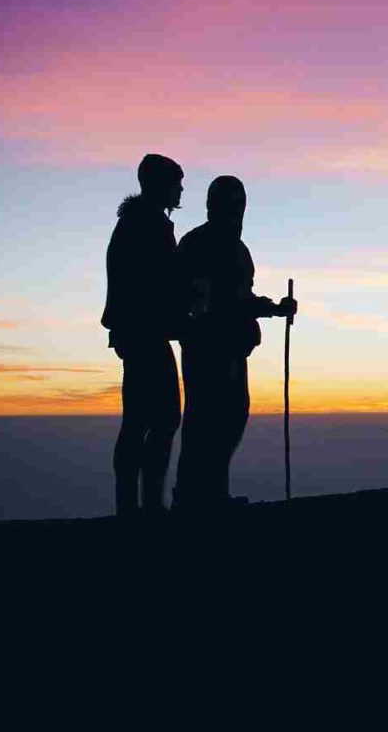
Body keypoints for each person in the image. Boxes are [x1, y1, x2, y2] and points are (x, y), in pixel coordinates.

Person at [173, 175, 296, 513]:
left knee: (228, 419)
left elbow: (240, 297)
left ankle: (212, 493)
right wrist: (265, 309)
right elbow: (213, 299)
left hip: (232, 348)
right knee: (205, 421)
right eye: (229, 203)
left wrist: (272, 309)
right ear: (214, 205)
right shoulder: (197, 244)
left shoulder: (238, 250)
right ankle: (192, 498)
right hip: (206, 347)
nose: (234, 210)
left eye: (238, 204)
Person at [101, 153, 189, 518]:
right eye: (177, 182)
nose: (181, 189)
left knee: (140, 420)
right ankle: (147, 505)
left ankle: (133, 504)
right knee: (163, 417)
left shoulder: (133, 223)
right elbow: (161, 283)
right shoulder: (150, 225)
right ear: (159, 185)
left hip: (136, 332)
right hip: (145, 333)